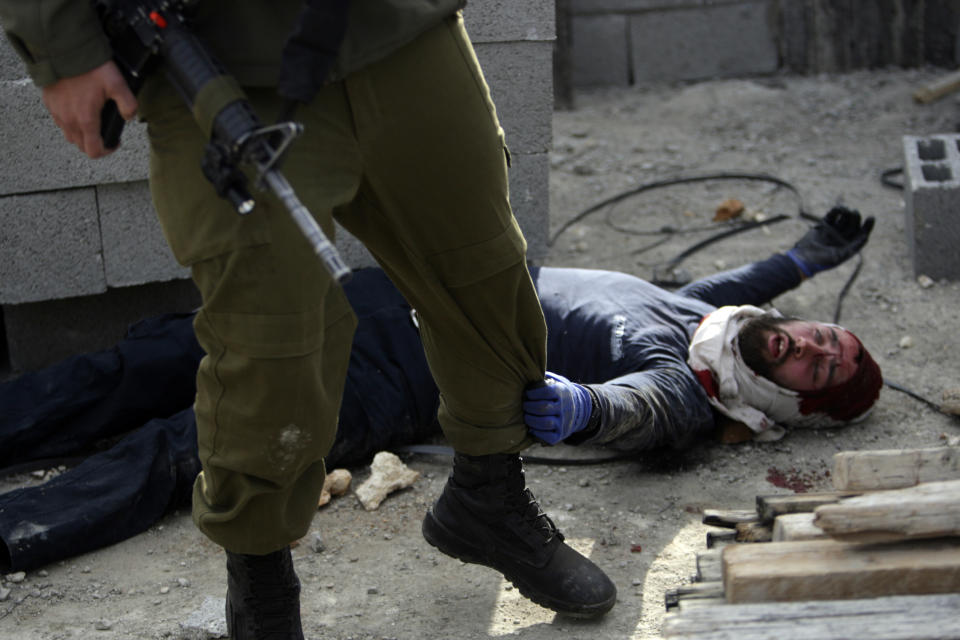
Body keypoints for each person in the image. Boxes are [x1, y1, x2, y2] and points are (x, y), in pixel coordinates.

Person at [0, 0, 617, 634]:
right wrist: (62, 46)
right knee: (270, 343)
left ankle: (489, 495)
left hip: (400, 25)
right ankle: (261, 583)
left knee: (487, 275)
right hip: (223, 55)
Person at [0, 206, 880, 573]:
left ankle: (16, 530)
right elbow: (748, 283)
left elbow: (641, 412)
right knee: (133, 368)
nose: (809, 343)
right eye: (824, 336)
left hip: (386, 381)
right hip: (377, 297)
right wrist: (808, 255)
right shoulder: (706, 321)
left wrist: (581, 408)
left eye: (817, 367)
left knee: (181, 447)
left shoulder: (691, 388)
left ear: (788, 407)